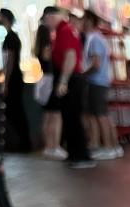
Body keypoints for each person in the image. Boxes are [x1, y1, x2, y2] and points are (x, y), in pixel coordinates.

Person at [45, 5, 93, 168]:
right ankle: (75, 154)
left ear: (51, 17)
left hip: (71, 79)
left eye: (46, 20)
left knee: (73, 118)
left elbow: (71, 57)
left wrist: (63, 81)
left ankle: (81, 156)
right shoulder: (64, 30)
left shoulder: (65, 31)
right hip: (72, 78)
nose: (46, 24)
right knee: (69, 117)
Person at [81, 10, 121, 160]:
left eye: (83, 19)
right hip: (100, 81)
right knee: (101, 114)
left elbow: (96, 63)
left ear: (89, 21)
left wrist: (83, 73)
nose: (81, 23)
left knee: (100, 115)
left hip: (96, 81)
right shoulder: (97, 38)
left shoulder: (94, 39)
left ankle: (109, 148)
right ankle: (113, 146)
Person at [0, 8, 31, 152]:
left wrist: (5, 82)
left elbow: (10, 61)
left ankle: (22, 143)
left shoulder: (11, 38)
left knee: (15, 111)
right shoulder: (11, 37)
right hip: (14, 79)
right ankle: (22, 142)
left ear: (4, 17)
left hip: (13, 80)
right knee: (15, 111)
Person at [35, 13, 63, 159]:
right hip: (51, 83)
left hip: (44, 82)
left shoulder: (38, 47)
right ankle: (54, 146)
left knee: (47, 117)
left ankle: (48, 147)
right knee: (55, 116)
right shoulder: (48, 48)